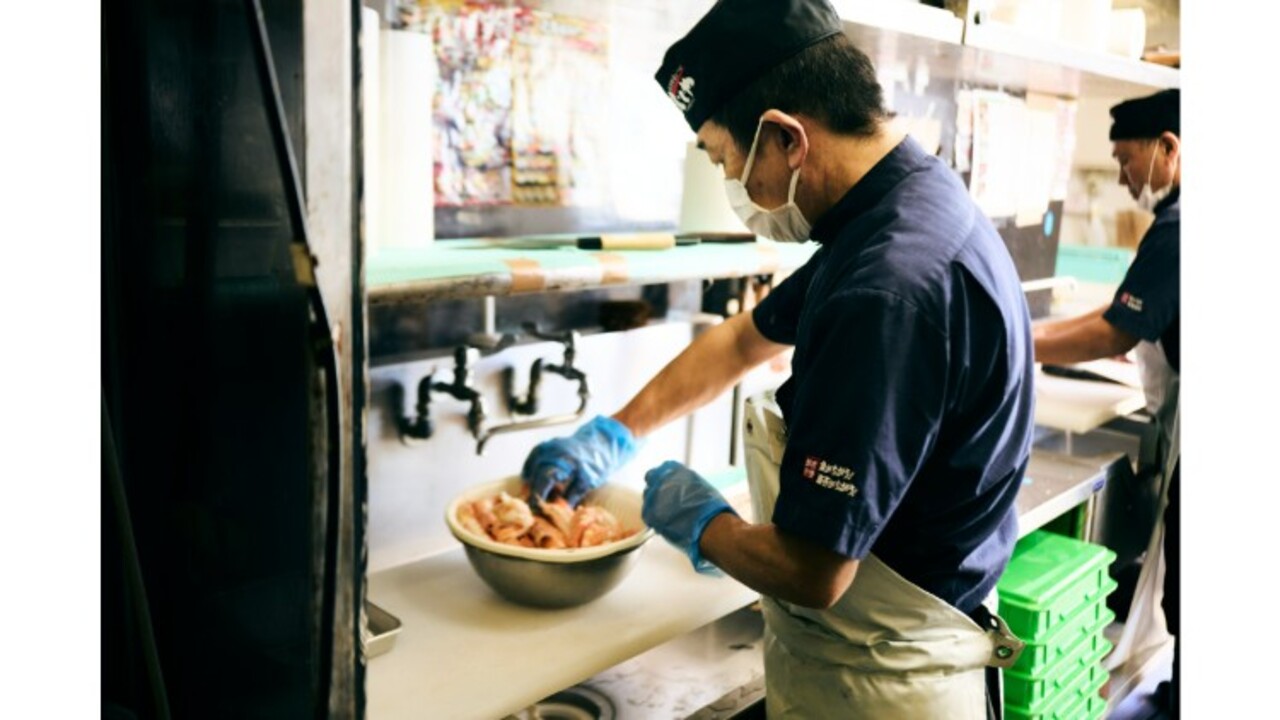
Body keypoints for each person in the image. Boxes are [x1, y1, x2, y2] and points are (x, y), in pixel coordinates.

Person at [522, 1, 1035, 717]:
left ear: (787, 138)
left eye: (725, 157)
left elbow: (812, 569)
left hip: (886, 686)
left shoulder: (888, 288)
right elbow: (742, 339)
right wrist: (614, 432)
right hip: (867, 656)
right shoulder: (899, 210)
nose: (734, 184)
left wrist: (699, 519)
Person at [1032, 88, 1180, 715]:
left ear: (1168, 149)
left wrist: (1020, 344)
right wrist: (1029, 332)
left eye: (1126, 160)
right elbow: (1121, 308)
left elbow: (1116, 331)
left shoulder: (1180, 227)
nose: (1121, 178)